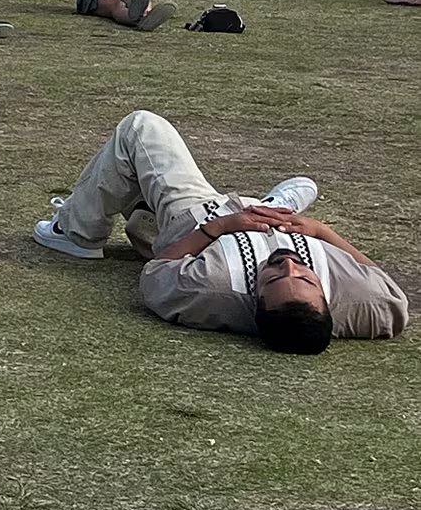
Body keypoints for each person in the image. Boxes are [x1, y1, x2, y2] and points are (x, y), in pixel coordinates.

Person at [32, 112, 407, 351]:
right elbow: (386, 286)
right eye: (306, 279)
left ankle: (76, 233)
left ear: (254, 299)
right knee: (303, 183)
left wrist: (220, 227)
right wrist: (320, 231)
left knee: (142, 128)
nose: (289, 265)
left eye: (274, 277)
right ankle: (271, 203)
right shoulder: (366, 303)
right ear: (326, 303)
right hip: (275, 220)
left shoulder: (209, 289)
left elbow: (156, 272)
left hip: (199, 215)